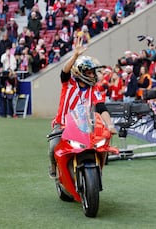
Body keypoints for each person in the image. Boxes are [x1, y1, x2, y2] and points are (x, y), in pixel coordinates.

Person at [48, 37, 117, 178]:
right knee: (53, 147)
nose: (93, 75)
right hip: (63, 124)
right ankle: (54, 165)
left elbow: (101, 107)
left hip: (86, 125)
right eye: (90, 72)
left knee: (101, 146)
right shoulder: (69, 83)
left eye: (93, 72)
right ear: (81, 73)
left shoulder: (95, 89)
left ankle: (98, 169)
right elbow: (64, 71)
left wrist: (109, 125)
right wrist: (75, 55)